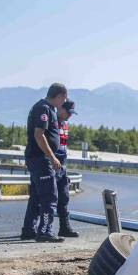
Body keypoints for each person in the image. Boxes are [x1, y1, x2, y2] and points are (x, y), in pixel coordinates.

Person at [21, 83, 67, 243]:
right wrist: (52, 157)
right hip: (41, 159)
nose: (63, 103)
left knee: (36, 196)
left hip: (38, 158)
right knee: (49, 196)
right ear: (59, 96)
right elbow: (39, 135)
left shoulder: (45, 108)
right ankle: (45, 230)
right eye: (64, 99)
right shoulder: (44, 109)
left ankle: (29, 229)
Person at [55, 100, 80, 238]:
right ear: (61, 109)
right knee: (46, 199)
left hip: (62, 164)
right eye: (68, 113)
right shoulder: (51, 121)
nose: (69, 116)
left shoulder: (65, 124)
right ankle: (37, 229)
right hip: (51, 164)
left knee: (63, 197)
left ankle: (64, 228)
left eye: (72, 114)